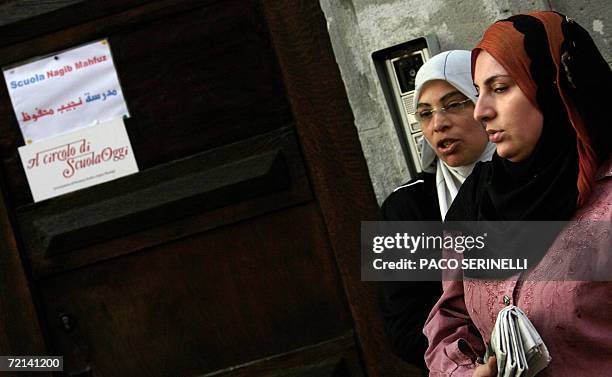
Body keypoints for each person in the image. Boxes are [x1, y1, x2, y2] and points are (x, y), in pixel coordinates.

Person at [423, 11, 612, 377]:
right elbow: (448, 320)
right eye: (478, 93)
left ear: (551, 85)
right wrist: (462, 371)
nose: (481, 111)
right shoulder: (478, 200)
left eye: (500, 88)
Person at [378, 50, 495, 370]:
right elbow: (403, 331)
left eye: (454, 104)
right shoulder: (405, 210)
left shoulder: (542, 178)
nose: (438, 124)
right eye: (425, 113)